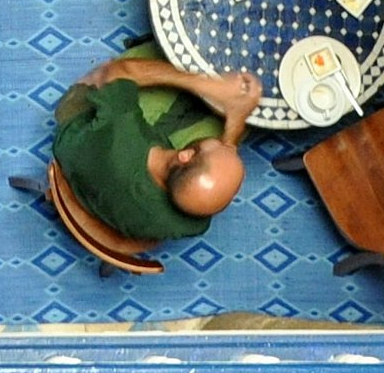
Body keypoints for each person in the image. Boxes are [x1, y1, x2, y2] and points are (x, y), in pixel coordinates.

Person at [50, 52, 257, 245]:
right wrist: (234, 121)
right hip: (106, 169)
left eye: (223, 146)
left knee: (155, 62)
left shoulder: (123, 133)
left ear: (185, 156)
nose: (228, 145)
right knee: (230, 120)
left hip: (81, 147)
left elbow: (119, 72)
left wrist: (205, 84)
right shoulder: (192, 221)